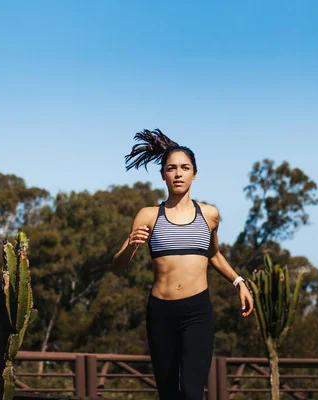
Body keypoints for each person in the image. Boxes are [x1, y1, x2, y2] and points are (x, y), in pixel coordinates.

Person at [112, 129, 254, 400]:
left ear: (194, 174)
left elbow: (214, 255)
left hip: (197, 312)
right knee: (168, 393)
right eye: (171, 168)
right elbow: (117, 269)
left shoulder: (209, 215)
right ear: (163, 174)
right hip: (160, 313)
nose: (178, 173)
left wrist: (239, 282)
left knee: (191, 392)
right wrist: (132, 245)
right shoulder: (149, 215)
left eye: (184, 168)